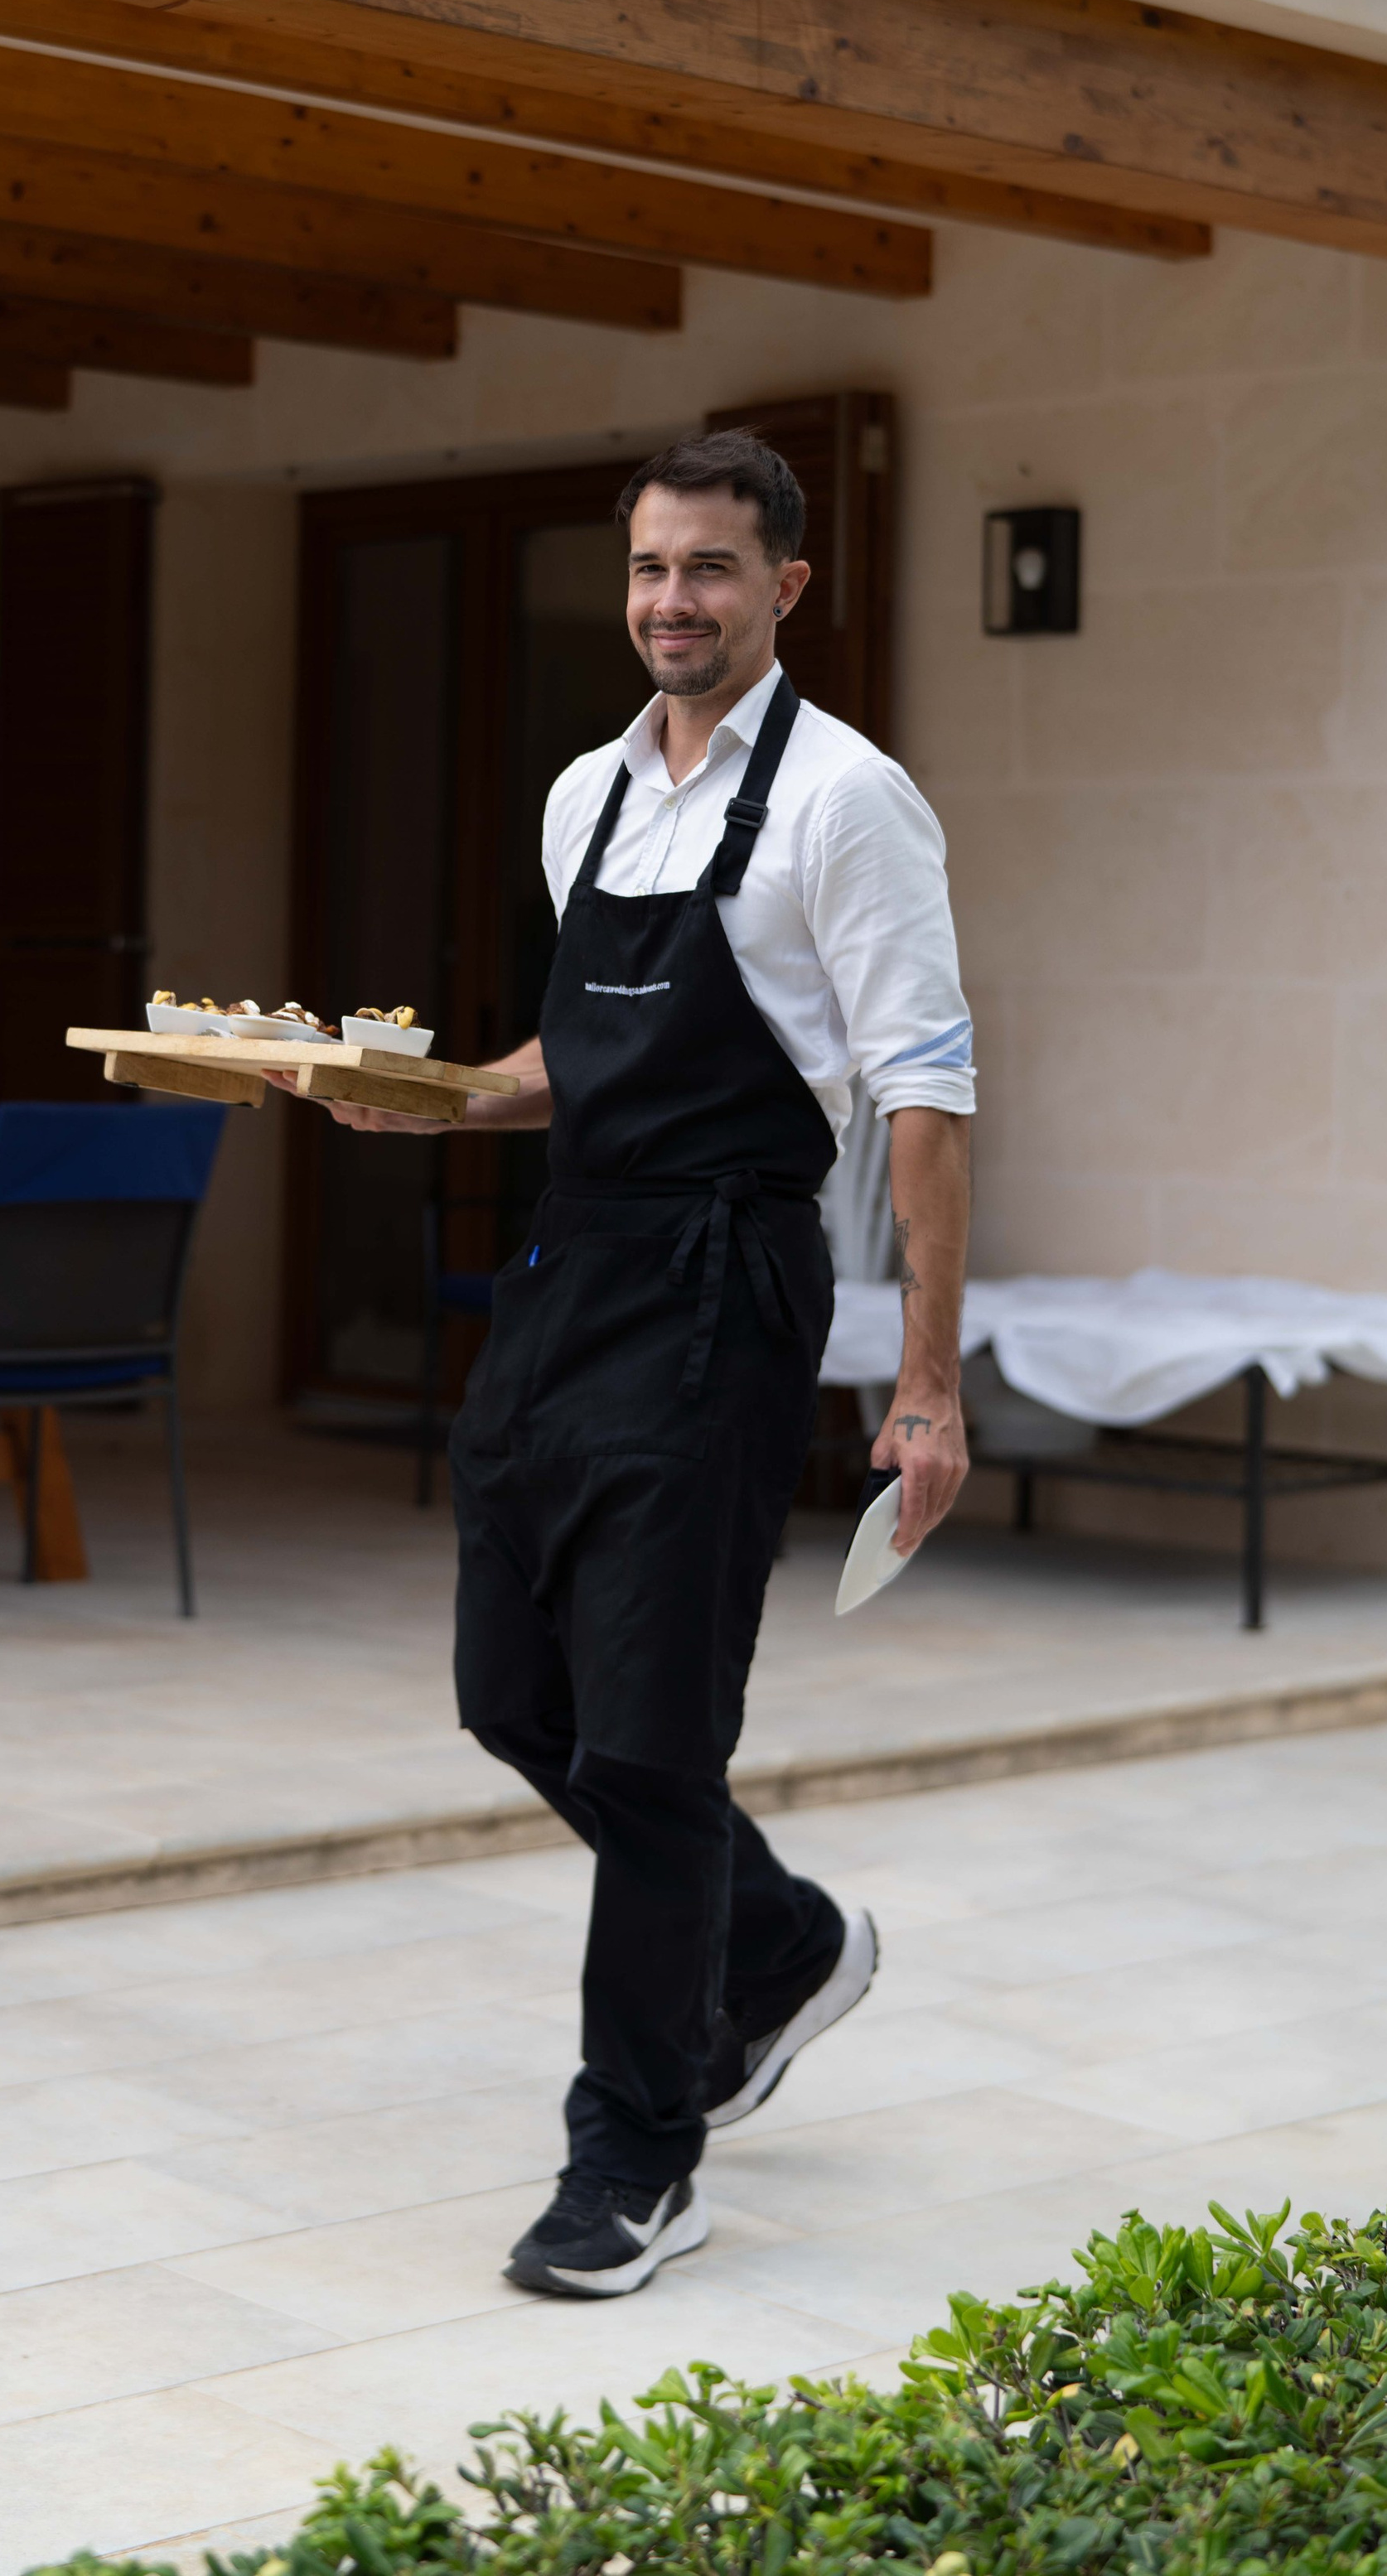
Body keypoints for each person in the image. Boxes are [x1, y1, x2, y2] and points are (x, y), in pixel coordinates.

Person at [308, 430, 974, 2299]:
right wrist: (427, 1105)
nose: (670, 601)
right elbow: (563, 1065)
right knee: (508, 1692)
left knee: (654, 1741)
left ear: (785, 588)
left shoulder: (850, 803)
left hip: (719, 1291)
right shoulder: (585, 793)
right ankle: (774, 1947)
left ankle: (635, 2155)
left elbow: (922, 1095)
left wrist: (920, 1382)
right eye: (648, 569)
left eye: (709, 570)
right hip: (564, 1272)